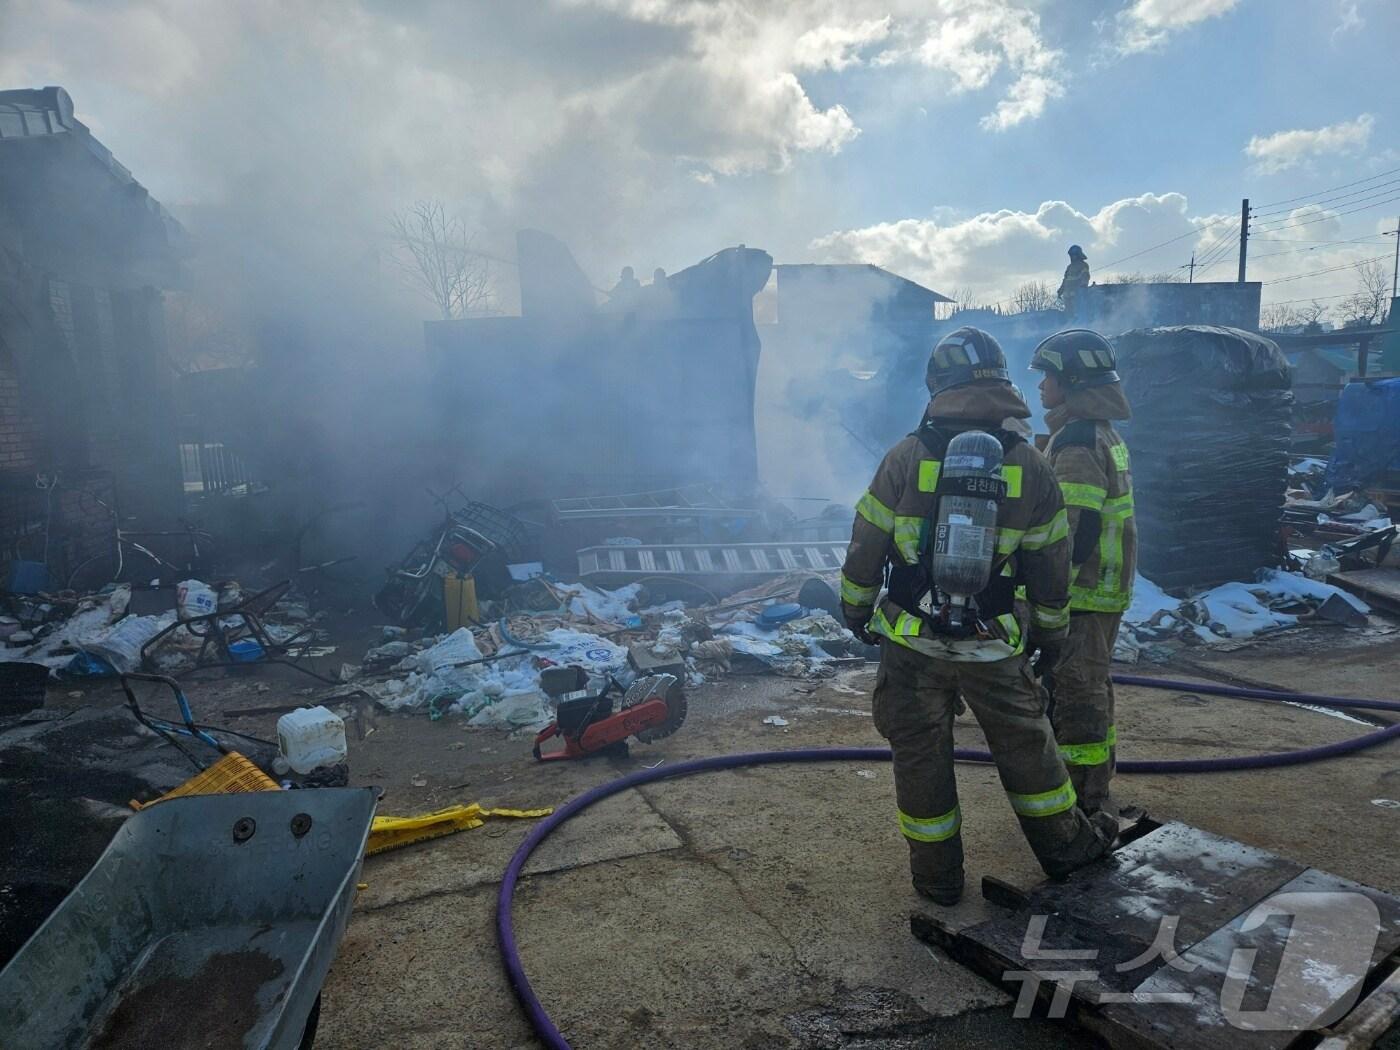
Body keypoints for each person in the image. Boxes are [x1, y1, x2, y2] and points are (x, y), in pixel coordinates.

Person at [840, 326, 1115, 905]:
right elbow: (1050, 565)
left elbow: (866, 544)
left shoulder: (906, 455)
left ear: (938, 385)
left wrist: (855, 610)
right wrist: (1048, 633)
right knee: (1029, 751)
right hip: (994, 642)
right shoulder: (1031, 465)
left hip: (912, 643)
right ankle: (1068, 852)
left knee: (920, 758)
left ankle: (937, 881)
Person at [1029, 328, 1136, 817]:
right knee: (1093, 684)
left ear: (1069, 381)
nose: (1040, 385)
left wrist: (1044, 590)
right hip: (1103, 587)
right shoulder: (1099, 432)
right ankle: (1097, 783)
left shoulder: (1075, 441)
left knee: (1077, 693)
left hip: (1083, 590)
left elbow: (1073, 529)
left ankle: (1084, 801)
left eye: (1047, 375)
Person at [1058, 245, 1090, 318]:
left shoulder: (1083, 265)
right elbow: (1065, 280)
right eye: (1072, 255)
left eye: (1074, 255)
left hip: (1077, 294)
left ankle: (1079, 324)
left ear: (1078, 255)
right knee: (1069, 314)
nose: (1073, 257)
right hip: (1067, 295)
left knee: (1078, 312)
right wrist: (1060, 290)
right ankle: (1070, 325)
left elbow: (1085, 275)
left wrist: (1083, 286)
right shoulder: (1069, 267)